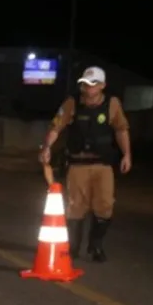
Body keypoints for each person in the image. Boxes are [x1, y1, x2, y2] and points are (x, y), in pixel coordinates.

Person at [40, 66, 132, 263]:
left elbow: (121, 130)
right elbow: (56, 127)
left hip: (103, 164)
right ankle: (73, 248)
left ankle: (96, 246)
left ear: (102, 86)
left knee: (105, 205)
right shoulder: (72, 103)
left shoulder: (112, 104)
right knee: (75, 207)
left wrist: (127, 155)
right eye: (85, 84)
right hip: (78, 163)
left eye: (93, 84)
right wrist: (47, 146)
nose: (88, 88)